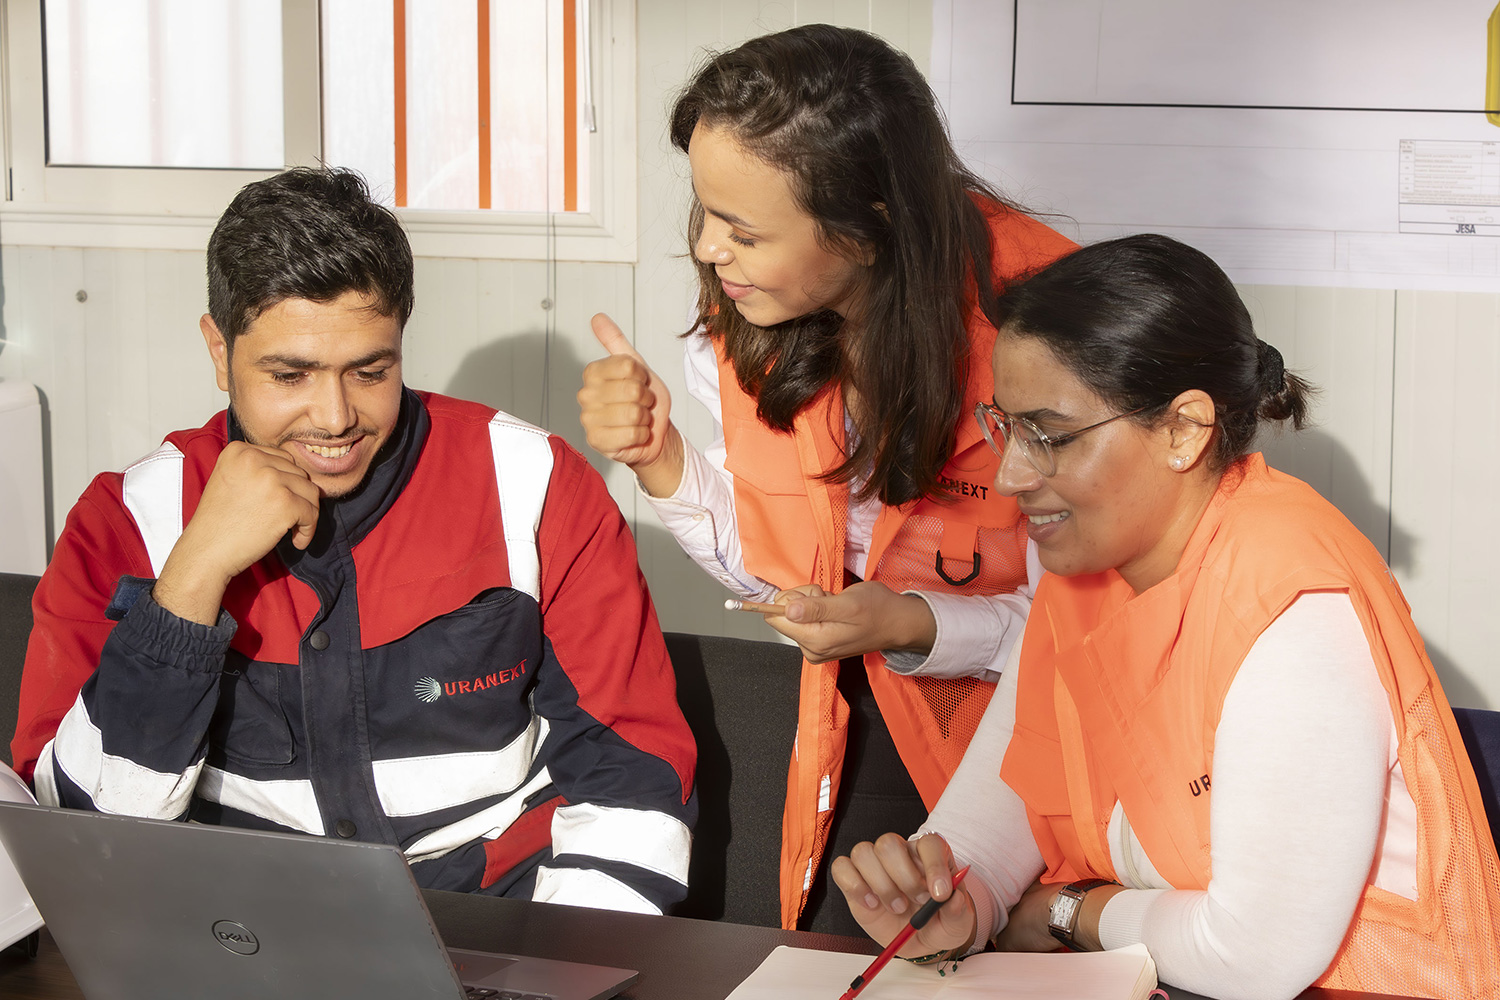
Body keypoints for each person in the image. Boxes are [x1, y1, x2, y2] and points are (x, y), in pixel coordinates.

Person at [829, 234, 1500, 999]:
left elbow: (1254, 957)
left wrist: (1071, 911)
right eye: (1004, 424)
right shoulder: (1081, 571)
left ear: (1184, 429)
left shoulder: (1298, 613)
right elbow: (995, 817)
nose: (1012, 474)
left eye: (1049, 435)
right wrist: (949, 905)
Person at [11, 167, 697, 914]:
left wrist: (566, 976)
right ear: (219, 351)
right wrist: (192, 580)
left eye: (370, 371)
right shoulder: (127, 519)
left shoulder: (537, 484)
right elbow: (76, 837)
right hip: (235, 942)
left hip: (505, 926)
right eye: (289, 375)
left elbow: (632, 783)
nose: (335, 418)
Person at [577, 24, 1074, 931]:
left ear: (867, 229)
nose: (707, 252)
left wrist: (913, 623)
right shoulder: (747, 317)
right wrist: (664, 462)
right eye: (703, 211)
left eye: (744, 230)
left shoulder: (1052, 339)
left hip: (1064, 718)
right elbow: (789, 583)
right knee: (856, 949)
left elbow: (1083, 631)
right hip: (878, 697)